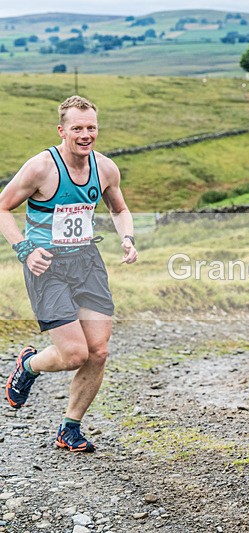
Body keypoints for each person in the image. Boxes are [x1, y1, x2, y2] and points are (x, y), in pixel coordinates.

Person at [2, 95, 137, 453]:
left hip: (87, 262)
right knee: (75, 354)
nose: (85, 134)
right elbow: (2, 208)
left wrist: (127, 238)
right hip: (47, 267)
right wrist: (24, 249)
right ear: (62, 130)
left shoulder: (105, 168)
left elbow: (119, 208)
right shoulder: (40, 168)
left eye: (91, 127)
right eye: (77, 128)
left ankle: (70, 428)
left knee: (99, 351)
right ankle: (29, 366)